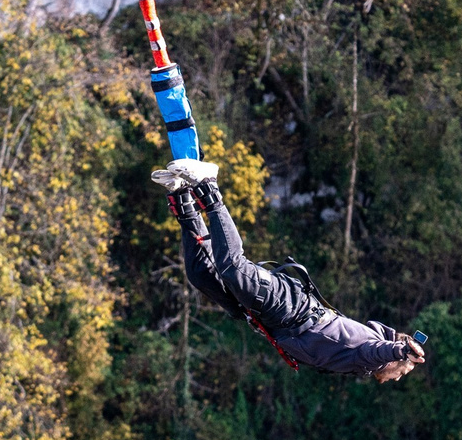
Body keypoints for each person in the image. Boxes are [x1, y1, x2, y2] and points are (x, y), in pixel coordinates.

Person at [153, 158, 427, 382]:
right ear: (395, 361)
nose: (397, 378)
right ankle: (208, 184)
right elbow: (377, 351)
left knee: (202, 274)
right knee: (233, 268)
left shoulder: (359, 361)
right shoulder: (370, 350)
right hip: (291, 307)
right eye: (402, 372)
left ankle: (181, 195)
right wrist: (402, 349)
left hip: (270, 320)